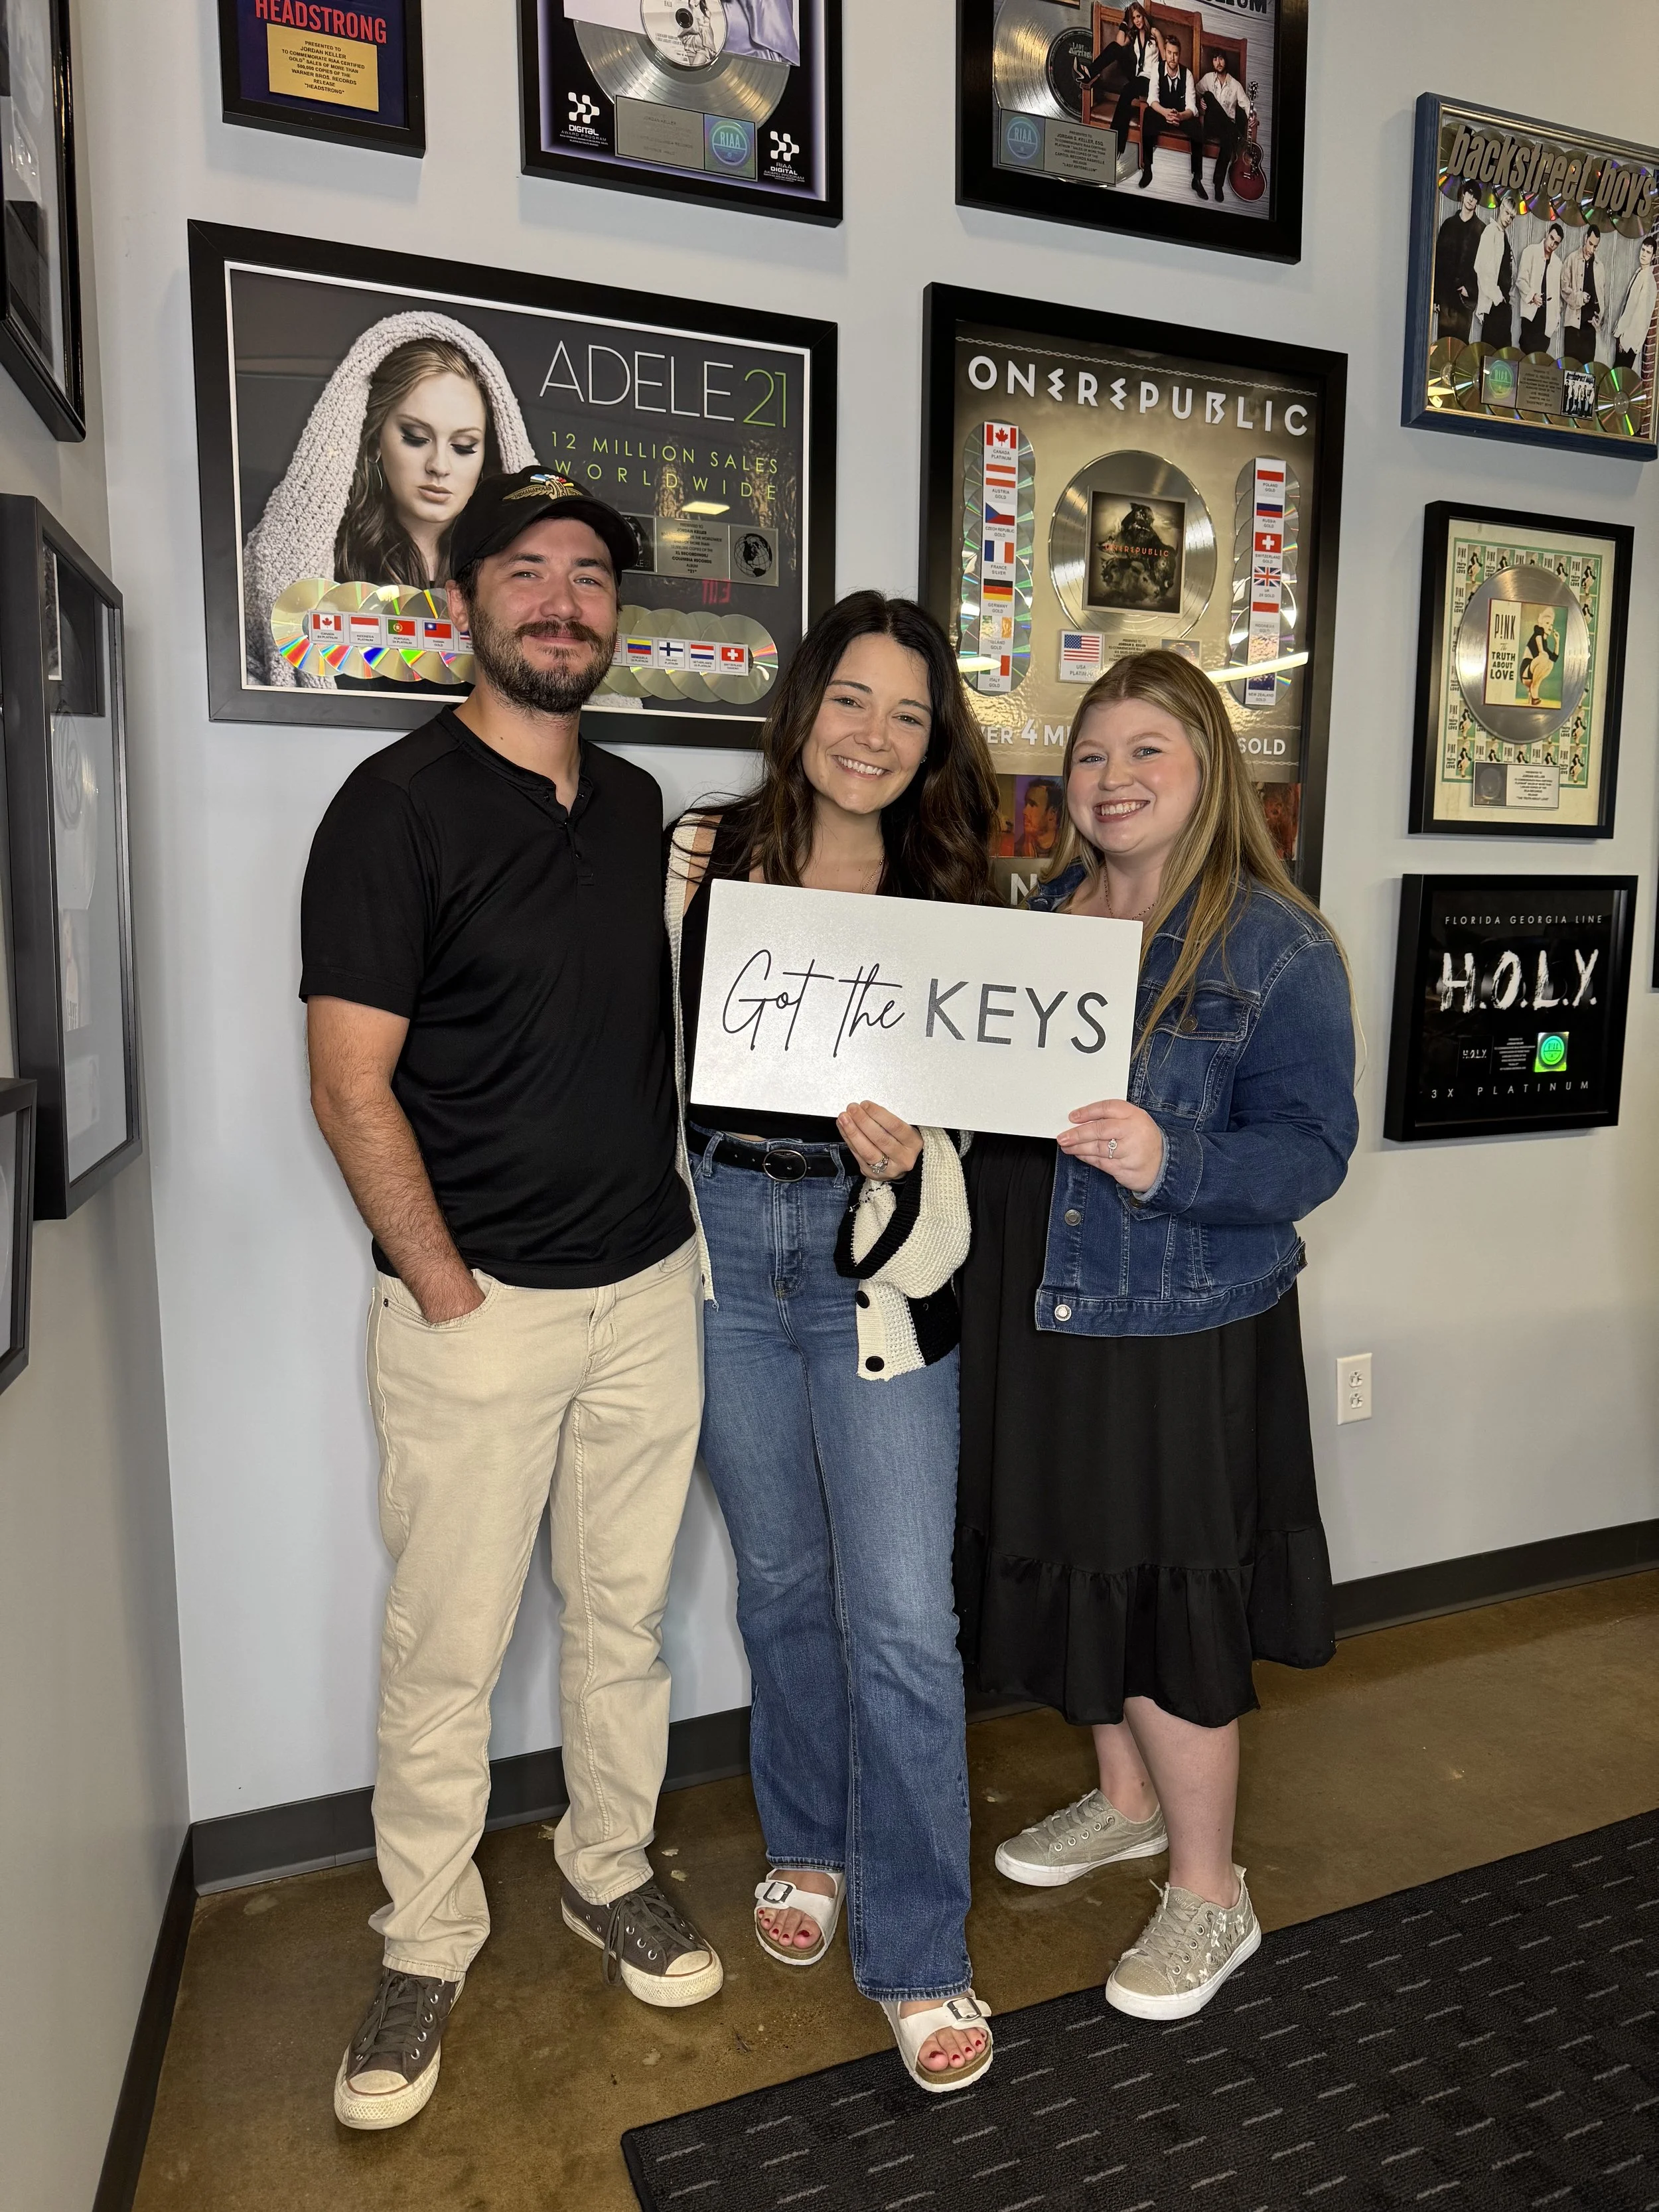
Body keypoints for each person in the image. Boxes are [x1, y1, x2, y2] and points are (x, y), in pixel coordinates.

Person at [301, 470, 721, 2132]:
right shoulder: (390, 808)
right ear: (469, 599)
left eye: (592, 578)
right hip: (477, 1317)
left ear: (616, 616)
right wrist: (446, 1290)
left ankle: (607, 1867)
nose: (565, 600)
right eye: (529, 572)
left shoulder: (636, 811)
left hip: (649, 1291)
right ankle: (422, 1939)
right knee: (449, 1648)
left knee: (622, 1623)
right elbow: (350, 1086)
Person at [956, 648, 1358, 2022]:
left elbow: (1310, 1153)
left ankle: (1207, 1889)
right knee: (1078, 1562)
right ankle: (1121, 1800)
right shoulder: (1042, 919)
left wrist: (1167, 1153)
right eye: (1091, 753)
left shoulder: (1273, 943)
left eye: (1147, 751)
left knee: (1169, 1596)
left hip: (1181, 1329)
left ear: (1206, 775)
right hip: (1044, 1312)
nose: (1112, 777)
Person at [665, 592, 1001, 2093]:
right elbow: (635, 1052)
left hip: (877, 1263)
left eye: (908, 715)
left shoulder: (958, 895)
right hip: (729, 1249)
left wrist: (914, 1136)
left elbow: (986, 1107)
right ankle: (806, 1839)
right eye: (851, 699)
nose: (873, 735)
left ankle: (923, 1948)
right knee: (786, 1584)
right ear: (803, 705)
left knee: (906, 1624)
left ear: (935, 745)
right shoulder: (695, 855)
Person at [244, 313, 536, 688]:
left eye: (464, 447)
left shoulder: (512, 574)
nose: (439, 467)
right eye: (415, 437)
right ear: (375, 440)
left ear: (487, 455)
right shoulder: (320, 563)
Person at [1137, 30, 1206, 197]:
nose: (1172, 58)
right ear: (1165, 52)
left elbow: (1192, 108)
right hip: (1162, 112)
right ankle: (1148, 169)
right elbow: (1152, 99)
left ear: (1179, 55)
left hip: (1180, 115)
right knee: (1148, 115)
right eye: (1169, 53)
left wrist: (1180, 116)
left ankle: (1197, 178)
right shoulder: (1157, 68)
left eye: (1176, 54)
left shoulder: (1187, 74)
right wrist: (1165, 112)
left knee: (1197, 127)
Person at [1195, 49, 1251, 206]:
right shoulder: (1208, 79)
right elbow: (1195, 92)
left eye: (1221, 59)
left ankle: (1218, 185)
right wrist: (1201, 101)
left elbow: (1246, 105)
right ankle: (1237, 136)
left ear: (1226, 61)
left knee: (1228, 139)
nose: (1218, 63)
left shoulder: (1235, 85)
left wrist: (1253, 117)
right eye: (1215, 59)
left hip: (1226, 128)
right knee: (1210, 97)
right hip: (1211, 124)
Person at [1434, 182, 1484, 341]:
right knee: (1444, 347)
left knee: (1461, 350)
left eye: (1475, 197)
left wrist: (1470, 290)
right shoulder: (1448, 225)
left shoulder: (1481, 230)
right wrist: (1435, 297)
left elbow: (1485, 267)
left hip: (1464, 303)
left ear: (1477, 202)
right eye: (1469, 194)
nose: (1471, 199)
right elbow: (1438, 261)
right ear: (1463, 194)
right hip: (1446, 299)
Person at [1474, 192, 1518, 350]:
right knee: (1490, 354)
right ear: (1500, 209)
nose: (1508, 219)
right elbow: (1481, 268)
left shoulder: (1504, 236)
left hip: (1504, 306)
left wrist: (1508, 300)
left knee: (1504, 357)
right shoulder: (1490, 231)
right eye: (1507, 213)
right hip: (1494, 305)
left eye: (1512, 217)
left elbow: (1510, 271)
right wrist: (1497, 297)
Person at [1517, 222, 1565, 356]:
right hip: (1531, 316)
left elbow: (1557, 296)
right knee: (1526, 354)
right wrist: (1533, 296)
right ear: (1546, 234)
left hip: (1547, 320)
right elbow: (1521, 280)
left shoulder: (1558, 264)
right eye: (1551, 238)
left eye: (1556, 243)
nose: (1552, 244)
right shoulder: (1530, 252)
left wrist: (1556, 319)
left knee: (1540, 359)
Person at [1561, 223, 1604, 365]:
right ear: (1586, 238)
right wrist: (1579, 297)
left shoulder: (1599, 266)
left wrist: (1600, 317)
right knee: (1570, 369)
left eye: (1595, 246)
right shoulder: (1572, 259)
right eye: (1590, 244)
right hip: (1573, 325)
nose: (1592, 249)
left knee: (1587, 372)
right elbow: (1564, 288)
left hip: (1589, 329)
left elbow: (1601, 296)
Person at [1613, 236, 1658, 370]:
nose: (1644, 254)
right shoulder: (1639, 273)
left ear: (1653, 256)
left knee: (1621, 379)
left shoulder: (1649, 282)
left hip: (1629, 343)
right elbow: (1628, 306)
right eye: (1643, 250)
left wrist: (1625, 341)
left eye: (1648, 252)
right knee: (1616, 375)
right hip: (1623, 337)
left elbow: (1640, 318)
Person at [1017, 776, 1064, 859]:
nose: (1024, 811)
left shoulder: (1068, 853)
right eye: (1026, 804)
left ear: (1052, 813)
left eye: (1032, 805)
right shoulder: (1017, 850)